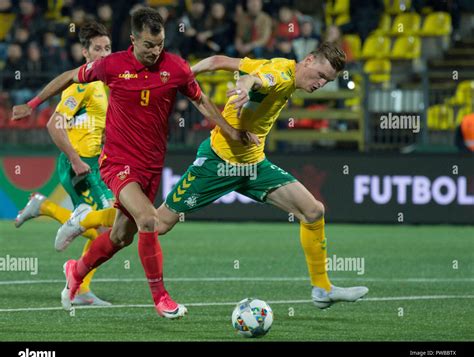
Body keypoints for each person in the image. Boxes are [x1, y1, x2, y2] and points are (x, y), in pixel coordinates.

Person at [70, 42, 369, 309]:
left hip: (253, 166)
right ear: (309, 59)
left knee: (313, 211)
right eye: (319, 75)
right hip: (217, 164)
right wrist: (245, 87)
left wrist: (185, 75)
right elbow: (258, 80)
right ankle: (84, 221)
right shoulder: (280, 74)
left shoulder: (278, 66)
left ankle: (322, 289)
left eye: (327, 81)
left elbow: (216, 61)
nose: (320, 83)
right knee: (152, 225)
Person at [12, 7, 258, 319]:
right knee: (148, 220)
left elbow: (200, 101)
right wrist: (32, 104)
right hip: (117, 162)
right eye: (148, 46)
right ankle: (161, 297)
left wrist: (231, 131)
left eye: (160, 45)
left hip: (151, 166)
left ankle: (76, 270)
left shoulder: (177, 68)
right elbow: (68, 77)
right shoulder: (112, 65)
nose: (155, 52)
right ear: (132, 40)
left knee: (119, 237)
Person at [14, 21, 116, 306]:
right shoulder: (81, 86)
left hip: (95, 164)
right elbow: (53, 125)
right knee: (112, 227)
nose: (104, 54)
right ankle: (79, 280)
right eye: (98, 49)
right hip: (79, 165)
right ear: (85, 53)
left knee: (108, 231)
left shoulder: (103, 84)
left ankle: (44, 207)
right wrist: (75, 159)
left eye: (108, 48)